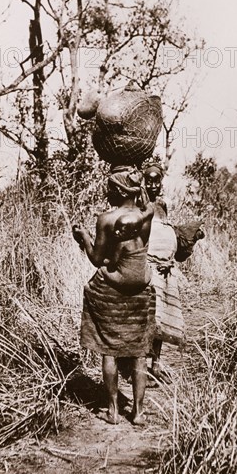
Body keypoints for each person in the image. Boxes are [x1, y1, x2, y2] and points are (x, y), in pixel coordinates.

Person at [72, 166, 155, 425]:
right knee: (139, 352)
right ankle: (139, 413)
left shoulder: (106, 219)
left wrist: (83, 236)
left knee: (109, 351)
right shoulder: (145, 216)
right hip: (140, 293)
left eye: (110, 188)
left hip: (111, 292)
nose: (107, 192)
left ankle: (112, 410)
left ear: (118, 190)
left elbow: (98, 259)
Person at [142, 161, 185, 381]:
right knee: (149, 315)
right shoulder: (140, 202)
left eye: (155, 179)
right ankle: (140, 370)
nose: (152, 184)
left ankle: (156, 366)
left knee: (162, 316)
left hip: (166, 268)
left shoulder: (163, 203)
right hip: (148, 266)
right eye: (148, 179)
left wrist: (170, 257)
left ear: (161, 181)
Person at [102, 211, 152, 292]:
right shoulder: (140, 240)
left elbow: (114, 262)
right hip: (144, 279)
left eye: (121, 231)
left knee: (102, 270)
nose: (117, 232)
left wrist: (105, 261)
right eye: (116, 229)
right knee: (147, 267)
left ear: (132, 233)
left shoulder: (122, 243)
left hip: (125, 280)